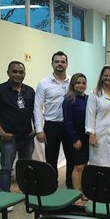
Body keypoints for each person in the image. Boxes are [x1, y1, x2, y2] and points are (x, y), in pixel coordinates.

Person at [0, 61, 35, 194]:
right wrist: (2, 133)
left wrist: (35, 128)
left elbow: (34, 111)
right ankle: (5, 196)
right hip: (9, 138)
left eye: (21, 72)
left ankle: (27, 193)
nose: (18, 74)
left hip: (27, 137)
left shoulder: (29, 91)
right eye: (15, 71)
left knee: (26, 167)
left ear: (25, 74)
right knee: (6, 168)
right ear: (8, 73)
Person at [34, 51, 73, 188]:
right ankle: (52, 187)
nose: (60, 64)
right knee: (51, 159)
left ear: (67, 64)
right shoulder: (43, 83)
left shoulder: (73, 82)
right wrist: (39, 129)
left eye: (62, 62)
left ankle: (71, 185)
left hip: (69, 127)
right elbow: (38, 107)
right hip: (51, 126)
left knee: (72, 158)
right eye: (57, 61)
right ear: (52, 64)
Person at [85, 65, 110, 169]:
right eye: (105, 75)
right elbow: (90, 115)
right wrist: (91, 134)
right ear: (101, 77)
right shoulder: (94, 94)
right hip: (99, 135)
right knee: (99, 165)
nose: (108, 78)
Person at [62, 73, 89, 204]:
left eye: (83, 83)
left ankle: (83, 191)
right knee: (78, 166)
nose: (81, 85)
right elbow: (68, 121)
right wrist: (75, 139)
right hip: (76, 137)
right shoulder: (69, 100)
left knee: (84, 166)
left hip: (86, 136)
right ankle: (76, 194)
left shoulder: (88, 98)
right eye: (78, 83)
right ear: (73, 84)